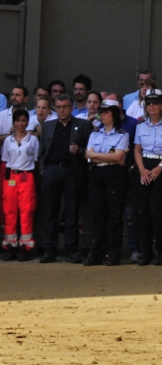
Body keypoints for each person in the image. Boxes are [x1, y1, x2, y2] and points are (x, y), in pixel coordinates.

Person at [38, 94, 93, 263]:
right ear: (55, 108)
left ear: (71, 108)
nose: (62, 110)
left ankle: (71, 250)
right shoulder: (47, 126)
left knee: (71, 212)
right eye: (59, 107)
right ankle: (49, 250)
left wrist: (80, 150)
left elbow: (91, 147)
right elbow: (42, 150)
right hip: (52, 170)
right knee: (50, 213)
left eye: (65, 107)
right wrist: (43, 170)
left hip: (72, 171)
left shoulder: (83, 125)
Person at [133, 88, 162, 266]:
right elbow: (137, 149)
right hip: (144, 166)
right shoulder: (141, 125)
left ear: (161, 106)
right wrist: (142, 169)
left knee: (157, 211)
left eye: (155, 103)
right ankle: (146, 252)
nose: (151, 106)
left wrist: (161, 166)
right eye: (148, 103)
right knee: (142, 211)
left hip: (161, 167)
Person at [84, 100, 129, 266]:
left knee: (114, 216)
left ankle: (114, 254)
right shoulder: (95, 134)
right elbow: (88, 155)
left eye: (106, 112)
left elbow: (118, 157)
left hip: (114, 175)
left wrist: (97, 155)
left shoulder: (122, 134)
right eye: (101, 112)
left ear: (114, 115)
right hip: (96, 173)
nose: (102, 114)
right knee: (98, 216)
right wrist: (107, 156)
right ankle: (96, 254)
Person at [105, 93, 140, 263]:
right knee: (111, 213)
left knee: (130, 213)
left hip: (130, 173)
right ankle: (108, 250)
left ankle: (134, 249)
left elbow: (137, 147)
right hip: (109, 174)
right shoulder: (101, 125)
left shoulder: (133, 124)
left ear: (120, 105)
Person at [1, 110, 39, 262]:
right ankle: (10, 246)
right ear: (14, 123)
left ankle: (26, 247)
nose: (21, 123)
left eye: (24, 120)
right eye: (18, 120)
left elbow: (35, 160)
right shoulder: (7, 141)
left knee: (26, 211)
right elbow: (5, 159)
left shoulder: (33, 140)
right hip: (10, 177)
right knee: (9, 212)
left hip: (26, 176)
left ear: (27, 122)